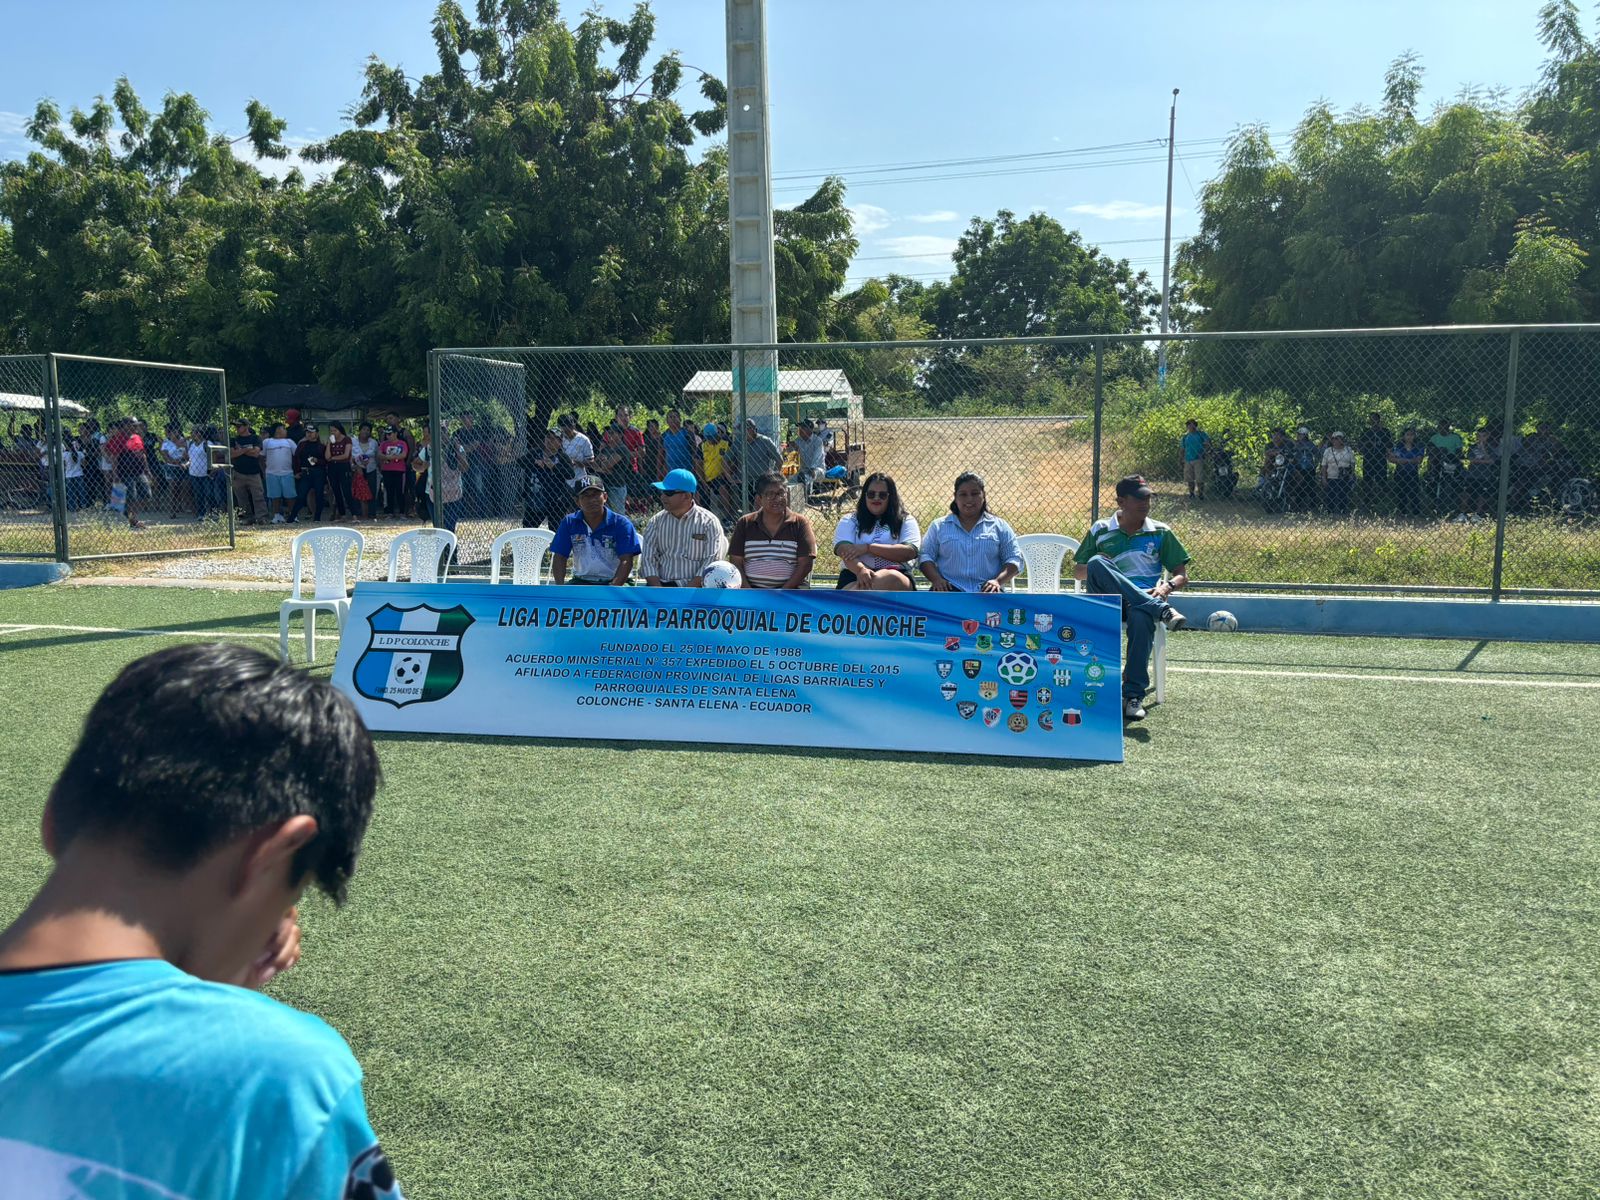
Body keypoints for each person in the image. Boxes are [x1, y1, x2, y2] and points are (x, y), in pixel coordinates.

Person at [0, 642, 395, 1199]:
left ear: (53, 820)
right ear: (272, 856)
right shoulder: (275, 1075)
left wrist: (209, 994)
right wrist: (224, 1016)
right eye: (290, 897)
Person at [1072, 475, 1190, 723]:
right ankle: (1159, 609)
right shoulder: (1100, 529)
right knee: (1096, 562)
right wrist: (1104, 567)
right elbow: (1079, 571)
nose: (1145, 503)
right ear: (1121, 501)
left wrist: (1167, 586)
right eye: (1139, 498)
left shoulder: (1160, 532)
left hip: (1142, 602)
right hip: (1107, 601)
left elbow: (1181, 574)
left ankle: (1133, 696)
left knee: (1140, 616)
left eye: (1148, 498)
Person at [918, 472, 1022, 594]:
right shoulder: (939, 526)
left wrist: (997, 581)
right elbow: (925, 556)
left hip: (989, 592)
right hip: (947, 590)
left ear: (983, 495)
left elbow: (1014, 558)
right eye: (963, 494)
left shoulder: (1000, 526)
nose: (969, 499)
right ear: (955, 497)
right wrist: (936, 580)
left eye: (975, 494)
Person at [640, 467, 729, 586]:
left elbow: (711, 561)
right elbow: (648, 559)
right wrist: (658, 590)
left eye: (669, 493)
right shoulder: (656, 521)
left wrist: (687, 591)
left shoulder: (709, 522)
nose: (663, 497)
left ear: (687, 496)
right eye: (662, 492)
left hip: (697, 588)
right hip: (661, 586)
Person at [728, 471, 818, 589]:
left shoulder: (799, 523)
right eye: (770, 494)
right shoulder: (745, 523)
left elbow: (805, 564)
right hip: (751, 592)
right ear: (759, 499)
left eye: (781, 493)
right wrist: (749, 592)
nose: (777, 499)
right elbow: (736, 562)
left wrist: (782, 592)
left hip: (790, 592)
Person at [834, 472, 920, 591]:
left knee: (891, 577)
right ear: (864, 496)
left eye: (882, 495)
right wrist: (861, 570)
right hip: (854, 575)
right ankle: (853, 597)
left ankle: (846, 600)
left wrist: (868, 548)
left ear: (891, 497)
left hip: (897, 576)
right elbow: (844, 551)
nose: (876, 498)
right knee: (859, 587)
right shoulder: (849, 520)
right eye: (871, 494)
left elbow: (909, 552)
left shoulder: (906, 520)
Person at [550, 475, 643, 585]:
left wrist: (613, 587)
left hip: (616, 582)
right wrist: (560, 589)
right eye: (586, 496)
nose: (592, 499)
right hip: (581, 581)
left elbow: (626, 560)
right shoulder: (569, 522)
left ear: (605, 497)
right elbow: (559, 557)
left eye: (596, 494)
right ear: (577, 501)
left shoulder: (621, 524)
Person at [230, 418, 267, 525]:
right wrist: (247, 449)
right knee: (241, 498)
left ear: (246, 426)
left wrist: (240, 450)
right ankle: (247, 518)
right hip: (238, 472)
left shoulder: (256, 438)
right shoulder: (234, 440)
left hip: (254, 472)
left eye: (239, 426)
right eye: (236, 426)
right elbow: (232, 454)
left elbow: (256, 453)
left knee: (258, 496)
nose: (237, 428)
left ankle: (261, 517)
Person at [288, 424, 327, 524]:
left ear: (316, 433)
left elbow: (326, 460)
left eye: (311, 432)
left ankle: (317, 518)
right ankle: (291, 518)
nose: (309, 434)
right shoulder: (302, 444)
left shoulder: (322, 446)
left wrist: (317, 461)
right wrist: (297, 472)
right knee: (301, 496)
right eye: (307, 432)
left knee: (319, 495)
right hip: (305, 472)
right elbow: (296, 458)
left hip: (318, 472)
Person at [593, 424, 632, 518]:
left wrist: (603, 463)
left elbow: (608, 465)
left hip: (616, 485)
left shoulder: (622, 449)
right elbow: (594, 464)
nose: (609, 435)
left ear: (620, 435)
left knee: (618, 514)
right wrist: (604, 466)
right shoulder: (606, 448)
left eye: (612, 433)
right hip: (604, 484)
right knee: (605, 513)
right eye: (608, 433)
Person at [1356, 411, 1392, 511]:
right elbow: (1360, 447)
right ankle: (1367, 502)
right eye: (1371, 419)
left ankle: (1383, 503)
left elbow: (1389, 446)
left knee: (1382, 480)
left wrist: (1388, 454)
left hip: (1380, 459)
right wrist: (1367, 443)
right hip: (1368, 459)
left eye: (1375, 419)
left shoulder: (1385, 432)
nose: (1373, 421)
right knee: (1367, 480)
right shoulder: (1366, 432)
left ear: (1379, 420)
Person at [262, 423, 298, 524]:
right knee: (275, 496)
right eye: (283, 428)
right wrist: (264, 470)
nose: (286, 431)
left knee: (290, 495)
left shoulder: (289, 442)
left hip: (287, 473)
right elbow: (262, 456)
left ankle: (293, 515)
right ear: (278, 430)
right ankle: (277, 516)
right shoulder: (267, 442)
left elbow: (297, 455)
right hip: (271, 473)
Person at [1388, 427, 1425, 516]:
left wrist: (1404, 460)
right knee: (1401, 493)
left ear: (1415, 436)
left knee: (1414, 493)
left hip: (1412, 473)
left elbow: (1419, 460)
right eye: (1407, 435)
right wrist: (1400, 460)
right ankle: (1403, 512)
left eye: (1412, 435)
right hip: (1400, 473)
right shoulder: (1398, 447)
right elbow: (1391, 458)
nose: (1409, 437)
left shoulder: (1418, 447)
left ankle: (1416, 513)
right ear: (1403, 436)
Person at [377, 425, 410, 519]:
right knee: (389, 491)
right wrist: (388, 457)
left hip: (399, 470)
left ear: (395, 433)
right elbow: (379, 454)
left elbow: (403, 455)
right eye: (387, 434)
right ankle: (389, 512)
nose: (388, 436)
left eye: (390, 434)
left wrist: (389, 457)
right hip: (387, 470)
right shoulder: (384, 444)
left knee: (400, 491)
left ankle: (402, 512)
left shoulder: (402, 443)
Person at [1319, 431, 1356, 516]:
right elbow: (1324, 465)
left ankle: (1343, 512)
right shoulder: (1328, 451)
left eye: (1338, 438)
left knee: (1343, 496)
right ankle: (1329, 513)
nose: (1336, 440)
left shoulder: (1348, 450)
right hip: (1331, 476)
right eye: (1334, 438)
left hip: (1344, 477)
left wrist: (1351, 474)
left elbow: (1352, 464)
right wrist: (1323, 478)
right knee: (1330, 496)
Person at [350, 421, 379, 521]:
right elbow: (350, 456)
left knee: (371, 490)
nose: (365, 432)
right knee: (357, 491)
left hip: (371, 469)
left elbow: (377, 456)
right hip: (356, 469)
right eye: (363, 429)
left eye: (368, 430)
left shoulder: (374, 442)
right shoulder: (352, 441)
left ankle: (372, 513)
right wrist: (354, 466)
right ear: (360, 430)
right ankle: (358, 513)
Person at [661, 408, 700, 482]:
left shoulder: (687, 434)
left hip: (686, 471)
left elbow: (694, 453)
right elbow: (661, 454)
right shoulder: (664, 435)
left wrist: (695, 470)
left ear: (680, 419)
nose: (673, 419)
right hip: (671, 472)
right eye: (670, 417)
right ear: (667, 421)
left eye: (675, 417)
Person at [325, 421, 353, 521]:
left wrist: (333, 458)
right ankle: (342, 514)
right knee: (336, 491)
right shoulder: (331, 440)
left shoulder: (347, 439)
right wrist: (329, 443)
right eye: (331, 431)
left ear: (340, 430)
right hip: (332, 467)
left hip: (344, 466)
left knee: (346, 491)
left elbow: (346, 455)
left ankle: (354, 514)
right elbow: (327, 457)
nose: (333, 432)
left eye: (335, 430)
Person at [159, 424, 188, 518]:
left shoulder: (184, 441)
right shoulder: (166, 443)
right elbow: (166, 457)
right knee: (173, 487)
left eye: (177, 431)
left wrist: (183, 461)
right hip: (171, 467)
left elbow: (187, 455)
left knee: (183, 486)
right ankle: (172, 510)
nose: (176, 433)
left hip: (183, 467)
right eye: (173, 432)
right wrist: (177, 462)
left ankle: (182, 506)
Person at [557, 413, 594, 486]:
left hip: (579, 478)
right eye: (563, 428)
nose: (565, 431)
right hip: (560, 478)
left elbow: (591, 461)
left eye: (568, 427)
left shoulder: (583, 440)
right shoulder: (558, 439)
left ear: (573, 426)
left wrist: (576, 463)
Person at [1288, 425, 1319, 511]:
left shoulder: (1310, 444)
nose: (1298, 436)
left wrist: (1315, 464)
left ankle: (1313, 504)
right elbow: (1291, 453)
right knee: (1300, 486)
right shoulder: (1295, 444)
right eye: (1298, 434)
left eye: (1300, 434)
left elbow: (1317, 453)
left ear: (1305, 435)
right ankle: (1298, 505)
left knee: (1310, 486)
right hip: (1299, 468)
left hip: (1309, 468)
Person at [187, 425, 215, 520]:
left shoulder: (207, 443)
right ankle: (201, 514)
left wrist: (212, 471)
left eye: (193, 432)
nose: (191, 434)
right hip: (193, 474)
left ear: (199, 433)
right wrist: (187, 464)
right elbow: (190, 458)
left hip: (206, 474)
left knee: (209, 494)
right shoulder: (191, 444)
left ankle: (212, 512)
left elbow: (214, 457)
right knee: (198, 494)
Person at [793, 418, 826, 494]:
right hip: (803, 469)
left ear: (810, 430)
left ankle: (807, 493)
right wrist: (791, 448)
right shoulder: (798, 441)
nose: (800, 430)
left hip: (817, 469)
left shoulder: (817, 441)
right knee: (792, 478)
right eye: (800, 428)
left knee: (809, 474)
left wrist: (812, 468)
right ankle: (800, 494)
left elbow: (817, 457)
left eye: (803, 428)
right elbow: (792, 456)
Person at [1181, 418, 1210, 500]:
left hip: (1198, 458)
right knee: (1189, 478)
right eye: (1188, 425)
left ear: (1195, 425)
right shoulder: (1185, 436)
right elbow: (1182, 448)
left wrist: (1203, 453)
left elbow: (1207, 443)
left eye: (1192, 424)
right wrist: (1181, 458)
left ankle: (1201, 494)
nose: (1190, 426)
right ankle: (1191, 494)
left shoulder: (1201, 434)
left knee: (1199, 478)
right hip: (1188, 459)